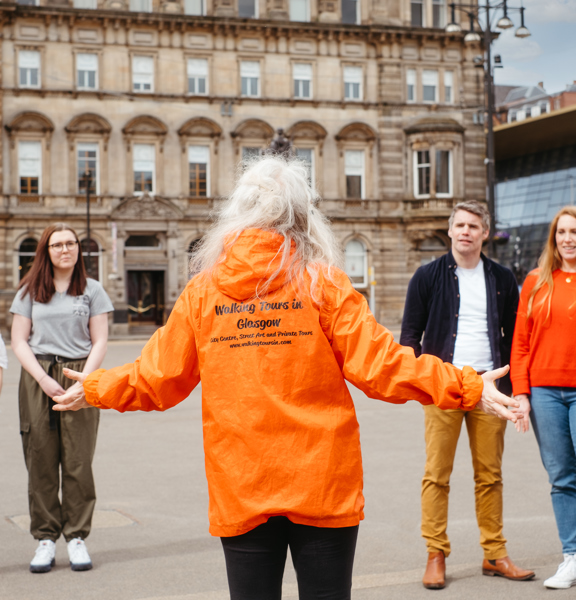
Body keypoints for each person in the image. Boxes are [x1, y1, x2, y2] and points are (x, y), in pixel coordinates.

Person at [53, 158, 519, 600]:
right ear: (300, 216)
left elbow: (157, 377)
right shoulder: (324, 284)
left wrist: (94, 387)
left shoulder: (204, 292)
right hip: (322, 482)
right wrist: (469, 386)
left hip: (242, 483)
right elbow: (383, 366)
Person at [400, 200, 534, 589]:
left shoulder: (503, 279)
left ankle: (494, 553)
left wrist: (515, 390)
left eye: (474, 226)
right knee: (436, 475)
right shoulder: (427, 276)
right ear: (450, 229)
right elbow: (410, 337)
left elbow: (516, 339)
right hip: (444, 387)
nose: (465, 232)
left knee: (490, 475)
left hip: (490, 389)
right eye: (459, 225)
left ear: (485, 233)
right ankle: (435, 553)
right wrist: (418, 382)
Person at [10, 223, 114, 574]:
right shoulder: (29, 291)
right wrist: (41, 379)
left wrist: (84, 381)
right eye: (57, 245)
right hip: (38, 376)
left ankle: (76, 537)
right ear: (47, 251)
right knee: (40, 457)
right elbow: (19, 340)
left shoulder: (93, 290)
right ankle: (44, 538)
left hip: (78, 376)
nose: (65, 249)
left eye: (71, 243)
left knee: (78, 460)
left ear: (78, 250)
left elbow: (99, 340)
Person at [511, 206, 576, 590]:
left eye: (574, 231)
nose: (568, 238)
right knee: (561, 477)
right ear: (554, 238)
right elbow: (520, 344)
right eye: (562, 232)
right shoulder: (536, 281)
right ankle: (572, 556)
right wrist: (521, 393)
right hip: (545, 392)